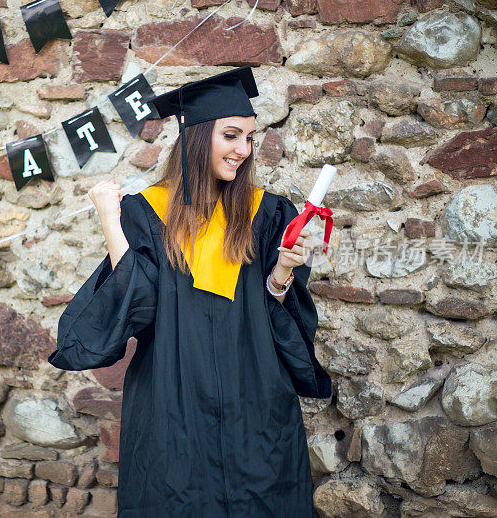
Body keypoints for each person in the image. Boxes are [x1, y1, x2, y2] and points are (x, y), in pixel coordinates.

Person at [48, 66, 332, 517]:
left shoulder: (268, 213)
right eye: (232, 136)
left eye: (249, 138)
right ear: (199, 137)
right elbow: (132, 304)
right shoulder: (146, 213)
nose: (244, 150)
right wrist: (109, 218)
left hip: (254, 394)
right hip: (171, 393)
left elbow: (279, 313)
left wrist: (280, 274)